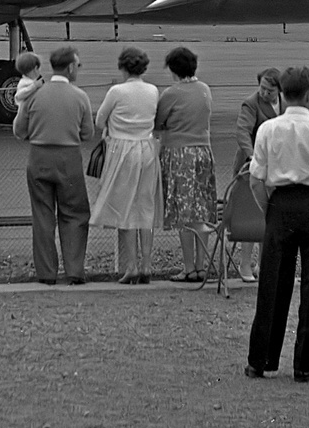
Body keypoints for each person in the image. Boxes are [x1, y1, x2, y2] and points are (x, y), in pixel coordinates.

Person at [244, 65, 309, 382]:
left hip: (281, 204)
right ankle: (304, 363)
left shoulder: (268, 129)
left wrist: (269, 210)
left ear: (283, 96)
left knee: (272, 284)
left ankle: (260, 360)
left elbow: (256, 179)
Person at [12, 45, 93, 285]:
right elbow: (87, 133)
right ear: (70, 67)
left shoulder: (33, 95)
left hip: (39, 156)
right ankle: (74, 269)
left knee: (42, 215)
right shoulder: (80, 97)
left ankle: (47, 272)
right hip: (69, 157)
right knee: (74, 213)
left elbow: (19, 130)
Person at [90, 46, 161, 285]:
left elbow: (100, 118)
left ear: (122, 67)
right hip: (147, 148)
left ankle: (131, 266)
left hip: (122, 148)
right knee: (145, 207)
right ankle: (147, 264)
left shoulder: (117, 91)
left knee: (125, 207)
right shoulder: (153, 90)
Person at [156, 47, 218, 282]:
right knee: (201, 212)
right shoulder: (204, 90)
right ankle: (202, 266)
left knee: (185, 215)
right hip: (203, 151)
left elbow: (159, 121)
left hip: (179, 154)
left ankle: (189, 266)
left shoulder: (171, 94)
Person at [232, 68, 283, 282]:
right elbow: (242, 131)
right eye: (261, 88)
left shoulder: (286, 103)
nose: (264, 93)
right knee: (251, 216)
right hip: (251, 165)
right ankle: (244, 264)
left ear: (278, 90)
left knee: (271, 217)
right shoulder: (250, 103)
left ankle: (265, 265)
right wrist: (253, 157)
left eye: (269, 90)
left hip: (276, 167)